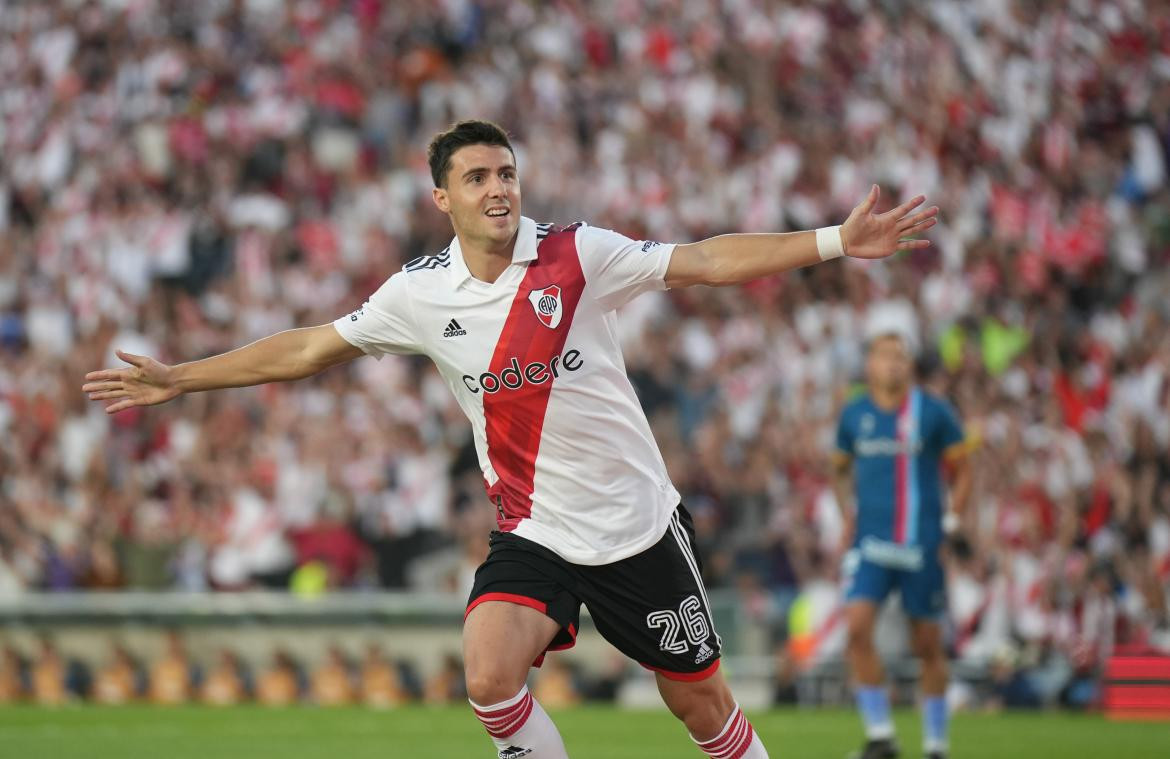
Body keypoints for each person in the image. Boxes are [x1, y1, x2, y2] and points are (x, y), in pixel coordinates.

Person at [83, 119, 936, 758]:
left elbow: (707, 261)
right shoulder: (418, 294)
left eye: (507, 172)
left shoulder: (578, 254)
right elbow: (308, 348)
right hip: (533, 529)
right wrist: (182, 376)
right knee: (489, 675)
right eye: (478, 176)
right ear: (441, 198)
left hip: (636, 527)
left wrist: (833, 242)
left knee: (702, 707)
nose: (499, 188)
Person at [832, 333, 972, 759]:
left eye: (900, 357)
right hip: (871, 543)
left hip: (920, 545)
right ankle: (881, 737)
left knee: (927, 644)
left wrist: (951, 520)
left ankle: (935, 745)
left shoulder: (933, 413)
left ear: (909, 366)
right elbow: (838, 469)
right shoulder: (854, 414)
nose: (892, 364)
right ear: (870, 364)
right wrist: (848, 516)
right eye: (884, 355)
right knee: (856, 630)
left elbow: (963, 469)